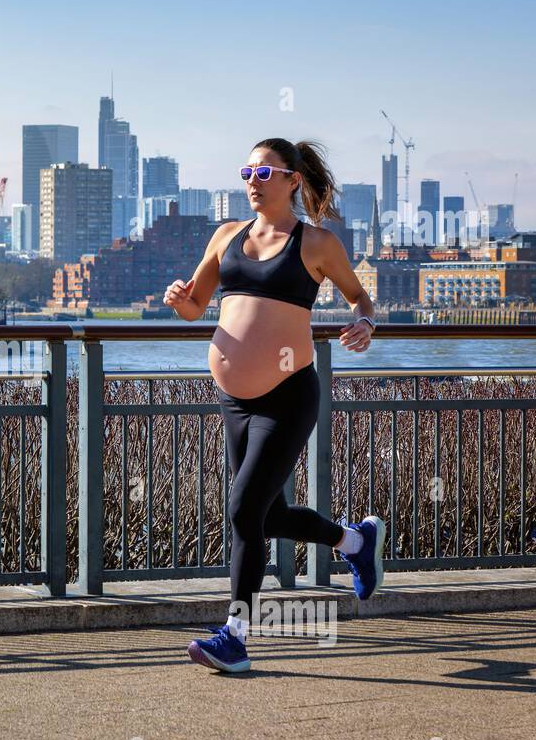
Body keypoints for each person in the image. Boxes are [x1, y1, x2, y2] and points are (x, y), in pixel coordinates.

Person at [162, 138, 385, 673]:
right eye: (247, 171)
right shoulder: (226, 236)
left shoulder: (317, 243)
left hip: (288, 395)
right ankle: (355, 540)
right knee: (265, 514)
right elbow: (196, 308)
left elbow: (360, 296)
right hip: (233, 400)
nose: (253, 180)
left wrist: (365, 322)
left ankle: (234, 636)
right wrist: (179, 300)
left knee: (243, 510)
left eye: (265, 172)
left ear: (293, 181)